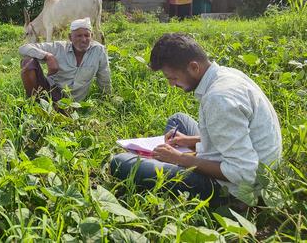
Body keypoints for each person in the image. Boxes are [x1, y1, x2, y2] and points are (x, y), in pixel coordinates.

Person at [110, 33, 282, 206]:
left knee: (120, 163)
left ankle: (169, 167)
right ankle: (169, 161)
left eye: (173, 78)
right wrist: (189, 140)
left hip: (233, 189)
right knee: (179, 120)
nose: (171, 84)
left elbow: (244, 173)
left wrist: (180, 159)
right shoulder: (226, 75)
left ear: (193, 67)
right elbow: (240, 133)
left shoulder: (219, 98)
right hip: (247, 158)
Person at [19, 17, 111, 102]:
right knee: (28, 62)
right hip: (50, 90)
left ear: (92, 36)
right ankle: (34, 102)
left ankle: (57, 110)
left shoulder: (98, 51)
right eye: (79, 36)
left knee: (63, 113)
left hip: (73, 102)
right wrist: (47, 56)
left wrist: (107, 99)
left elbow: (104, 77)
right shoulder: (59, 47)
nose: (83, 39)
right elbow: (23, 48)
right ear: (70, 37)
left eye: (87, 35)